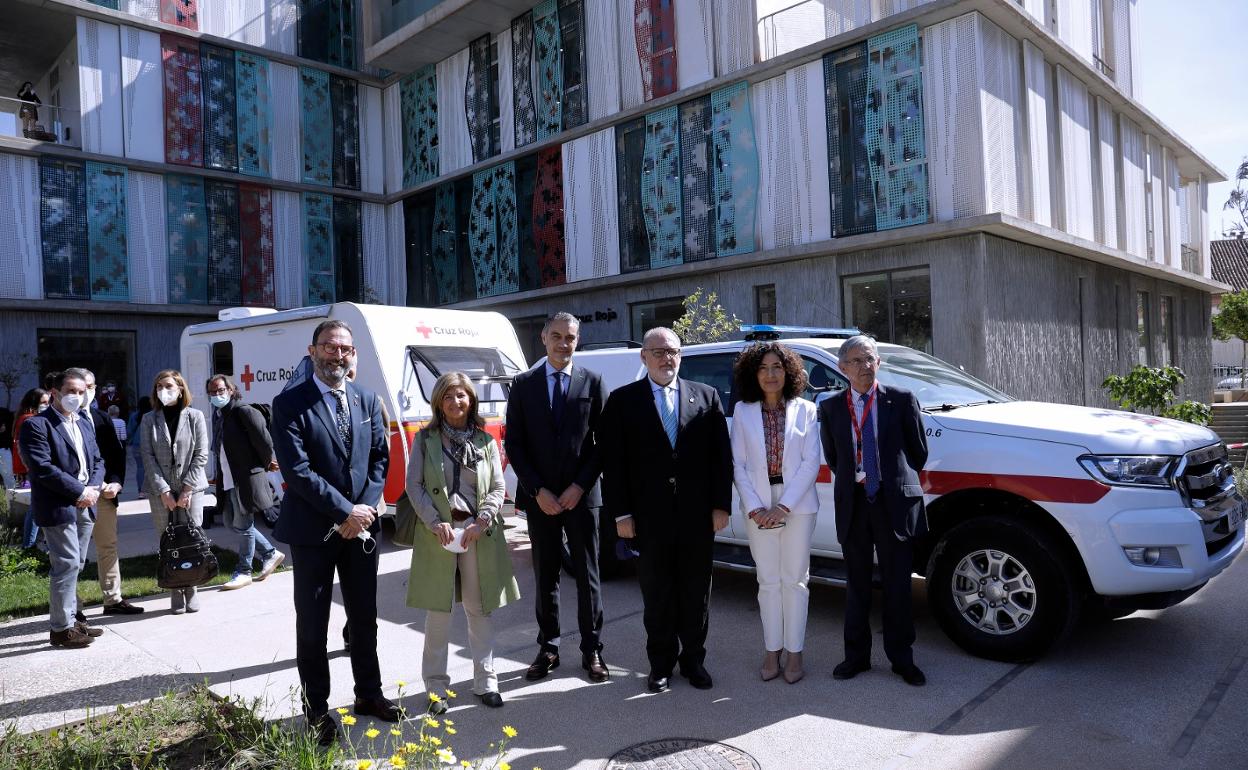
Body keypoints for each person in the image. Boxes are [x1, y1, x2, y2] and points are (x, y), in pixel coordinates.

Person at [271, 320, 395, 747]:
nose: (336, 356)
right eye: (329, 347)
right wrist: (346, 510)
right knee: (313, 624)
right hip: (312, 533)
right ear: (312, 350)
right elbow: (298, 472)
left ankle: (369, 695)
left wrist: (360, 513)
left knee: (364, 618)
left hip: (360, 532)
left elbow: (380, 458)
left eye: (344, 349)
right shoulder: (288, 404)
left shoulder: (366, 399)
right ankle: (317, 710)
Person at [599, 327, 732, 693]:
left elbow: (722, 458)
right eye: (657, 352)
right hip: (647, 519)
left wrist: (721, 506)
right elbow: (614, 464)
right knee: (657, 595)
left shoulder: (706, 397)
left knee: (695, 594)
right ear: (644, 357)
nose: (665, 358)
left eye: (672, 351)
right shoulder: (622, 401)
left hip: (697, 518)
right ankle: (660, 664)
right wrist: (621, 515)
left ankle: (693, 661)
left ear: (680, 355)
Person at [818, 335, 929, 687]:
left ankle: (902, 659)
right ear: (842, 368)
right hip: (854, 503)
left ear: (878, 363)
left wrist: (886, 477)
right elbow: (835, 458)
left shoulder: (901, 400)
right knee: (857, 585)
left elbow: (918, 453)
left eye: (870, 359)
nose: (864, 367)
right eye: (856, 361)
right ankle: (856, 657)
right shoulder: (832, 406)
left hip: (892, 503)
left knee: (898, 584)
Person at [505, 312, 610, 684]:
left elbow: (603, 444)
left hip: (581, 496)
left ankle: (592, 650)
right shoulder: (524, 384)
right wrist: (537, 490)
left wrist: (579, 486)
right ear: (544, 339)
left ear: (577, 340)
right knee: (546, 574)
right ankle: (548, 647)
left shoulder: (593, 382)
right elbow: (514, 444)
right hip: (542, 499)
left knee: (587, 576)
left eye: (571, 337)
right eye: (557, 336)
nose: (564, 343)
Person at [407, 372, 519, 711]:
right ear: (439, 402)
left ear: (471, 400)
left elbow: (498, 487)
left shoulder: (485, 440)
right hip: (437, 533)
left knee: (479, 609)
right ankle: (436, 689)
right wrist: (434, 521)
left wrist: (482, 520)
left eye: (463, 395)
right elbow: (414, 486)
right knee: (439, 613)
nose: (457, 402)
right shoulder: (424, 440)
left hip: (477, 534)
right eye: (450, 396)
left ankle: (486, 682)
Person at [729, 343, 822, 684]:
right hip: (757, 504)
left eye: (778, 368)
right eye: (764, 368)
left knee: (795, 581)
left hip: (797, 504)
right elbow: (737, 463)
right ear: (754, 373)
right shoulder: (743, 410)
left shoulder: (806, 410)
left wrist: (782, 506)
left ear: (789, 372)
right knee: (768, 581)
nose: (771, 374)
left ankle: (795, 653)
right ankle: (772, 650)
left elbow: (811, 462)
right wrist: (756, 507)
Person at [18, 369, 105, 648]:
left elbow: (97, 460)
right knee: (65, 564)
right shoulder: (36, 425)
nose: (76, 397)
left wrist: (91, 489)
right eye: (70, 391)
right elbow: (42, 468)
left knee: (76, 564)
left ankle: (71, 619)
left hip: (85, 503)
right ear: (55, 393)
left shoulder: (83, 423)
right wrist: (79, 491)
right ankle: (60, 629)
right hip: (59, 505)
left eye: (81, 392)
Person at [139, 369, 209, 615]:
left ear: (180, 388)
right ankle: (175, 587)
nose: (163, 390)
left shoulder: (195, 416)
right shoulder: (149, 419)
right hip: (161, 491)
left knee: (192, 537)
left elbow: (201, 454)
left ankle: (192, 587)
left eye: (168, 385)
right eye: (159, 386)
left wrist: (187, 488)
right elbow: (147, 456)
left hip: (191, 488)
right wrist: (164, 491)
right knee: (167, 539)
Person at [205, 374, 285, 590]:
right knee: (232, 522)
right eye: (212, 392)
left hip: (246, 477)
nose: (216, 395)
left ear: (231, 390)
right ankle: (270, 553)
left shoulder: (243, 411)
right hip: (229, 478)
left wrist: (268, 461)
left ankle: (244, 571)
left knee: (244, 524)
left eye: (221, 390)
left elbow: (263, 438)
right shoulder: (220, 415)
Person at [81, 368, 144, 617]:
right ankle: (73, 609)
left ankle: (113, 599)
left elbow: (116, 457)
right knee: (73, 554)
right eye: (77, 388)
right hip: (74, 498)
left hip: (104, 496)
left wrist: (116, 483)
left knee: (108, 547)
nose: (84, 393)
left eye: (89, 387)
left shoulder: (102, 419)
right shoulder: (57, 421)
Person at [13, 388, 49, 547]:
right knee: (36, 507)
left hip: (29, 469)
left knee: (38, 506)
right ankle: (29, 545)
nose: (47, 405)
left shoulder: (24, 417)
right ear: (34, 402)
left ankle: (31, 544)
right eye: (43, 402)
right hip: (33, 469)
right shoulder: (29, 419)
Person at [127, 396, 151, 496]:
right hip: (151, 445)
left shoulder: (134, 416)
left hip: (137, 445)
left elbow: (129, 431)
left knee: (140, 468)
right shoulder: (152, 415)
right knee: (152, 468)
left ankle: (141, 491)